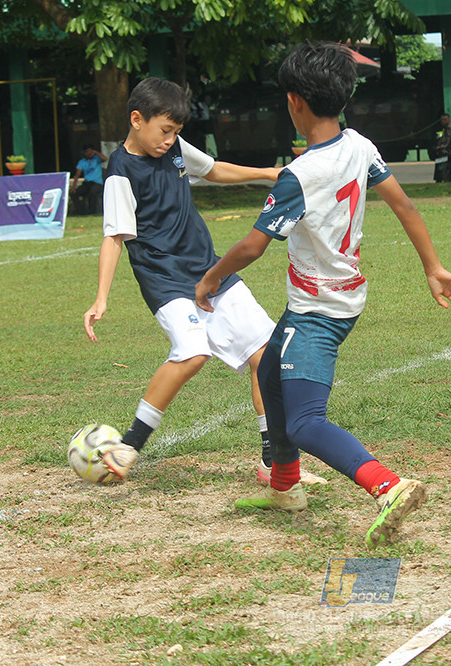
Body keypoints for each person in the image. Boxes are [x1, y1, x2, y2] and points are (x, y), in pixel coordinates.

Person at [195, 42, 451, 548]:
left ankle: (386, 486)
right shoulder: (360, 145)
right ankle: (285, 487)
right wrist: (434, 267)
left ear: (294, 101)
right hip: (343, 297)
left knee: (303, 421)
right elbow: (405, 206)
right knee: (271, 371)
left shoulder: (299, 175)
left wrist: (210, 278)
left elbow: (254, 246)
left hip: (317, 311)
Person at [83, 77, 327, 486]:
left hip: (210, 271)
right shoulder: (121, 171)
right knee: (193, 352)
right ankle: (127, 447)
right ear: (137, 119)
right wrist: (100, 297)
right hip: (164, 280)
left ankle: (274, 461)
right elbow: (113, 236)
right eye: (164, 131)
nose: (170, 140)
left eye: (176, 132)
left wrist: (270, 173)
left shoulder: (175, 148)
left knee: (267, 357)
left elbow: (213, 170)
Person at [70, 144, 107, 215]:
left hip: (97, 183)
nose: (89, 154)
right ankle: (81, 211)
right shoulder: (82, 162)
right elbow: (77, 175)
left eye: (91, 152)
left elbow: (105, 159)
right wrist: (74, 187)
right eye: (87, 152)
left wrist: (96, 153)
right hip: (87, 183)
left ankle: (92, 212)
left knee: (92, 192)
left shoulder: (96, 159)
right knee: (74, 194)